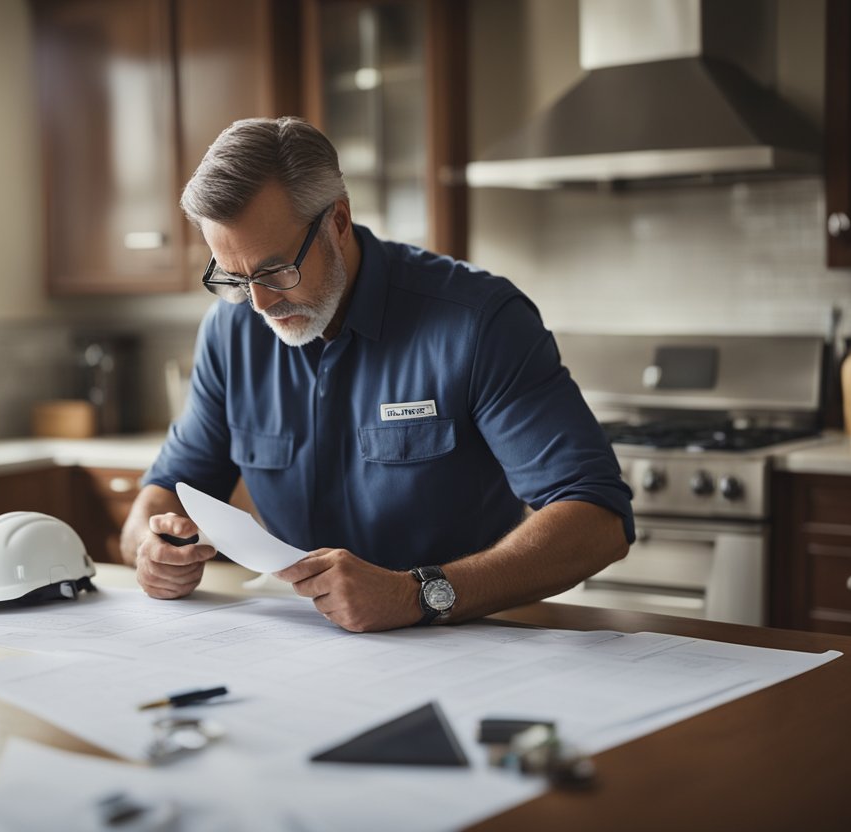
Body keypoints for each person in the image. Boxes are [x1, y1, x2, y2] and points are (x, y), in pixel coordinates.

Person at [120, 117, 633, 633]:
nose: (259, 303)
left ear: (337, 221)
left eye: (276, 271)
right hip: (301, 643)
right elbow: (164, 492)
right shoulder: (231, 330)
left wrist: (420, 594)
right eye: (234, 276)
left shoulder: (479, 322)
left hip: (467, 636)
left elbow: (597, 518)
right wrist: (153, 548)